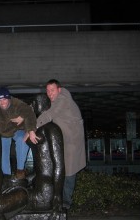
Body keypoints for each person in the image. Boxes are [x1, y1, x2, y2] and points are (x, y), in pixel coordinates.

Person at [36, 79, 86, 211]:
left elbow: (49, 114)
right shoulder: (54, 100)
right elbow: (38, 107)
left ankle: (66, 203)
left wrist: (32, 128)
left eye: (52, 90)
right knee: (60, 169)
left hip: (72, 142)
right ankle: (58, 199)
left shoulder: (63, 99)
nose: (49, 93)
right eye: (47, 91)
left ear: (59, 89)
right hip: (63, 141)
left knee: (69, 172)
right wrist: (24, 116)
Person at [0, 87, 39, 179]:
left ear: (9, 98)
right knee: (3, 153)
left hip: (17, 129)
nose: (2, 103)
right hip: (3, 132)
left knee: (22, 140)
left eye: (4, 100)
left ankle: (20, 171)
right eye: (0, 100)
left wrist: (31, 130)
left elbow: (29, 113)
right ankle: (7, 177)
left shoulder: (16, 103)